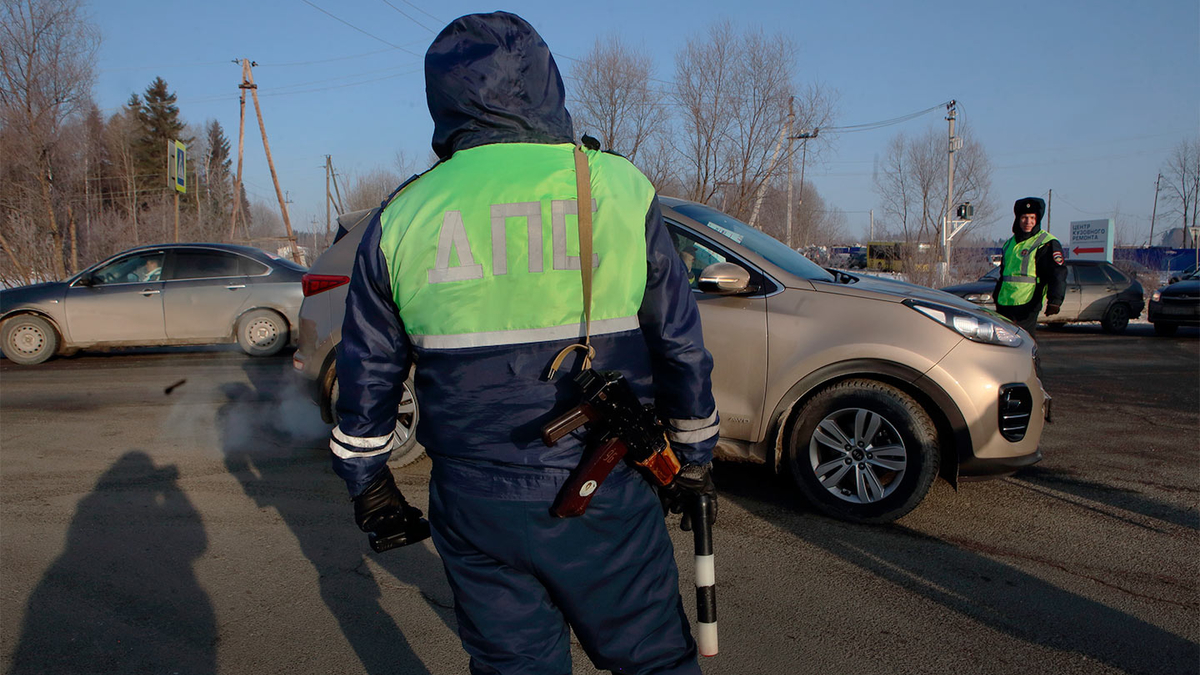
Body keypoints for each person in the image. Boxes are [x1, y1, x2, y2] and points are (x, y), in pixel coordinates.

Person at [329, 12, 720, 675]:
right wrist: (694, 455)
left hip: (474, 499)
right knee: (651, 660)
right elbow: (678, 342)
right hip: (606, 483)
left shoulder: (404, 213)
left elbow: (367, 367)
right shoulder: (617, 186)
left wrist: (368, 481)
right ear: (548, 83)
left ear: (442, 96)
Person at [994, 196, 1066, 341]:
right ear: (1018, 219)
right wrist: (996, 294)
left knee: (1023, 341)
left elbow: (1057, 273)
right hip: (1005, 301)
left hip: (1028, 302)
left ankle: (1030, 364)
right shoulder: (1009, 243)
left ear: (1038, 219)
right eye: (1024, 217)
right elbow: (1004, 273)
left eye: (1032, 218)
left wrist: (1055, 299)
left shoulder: (1046, 242)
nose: (1028, 222)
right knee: (1004, 341)